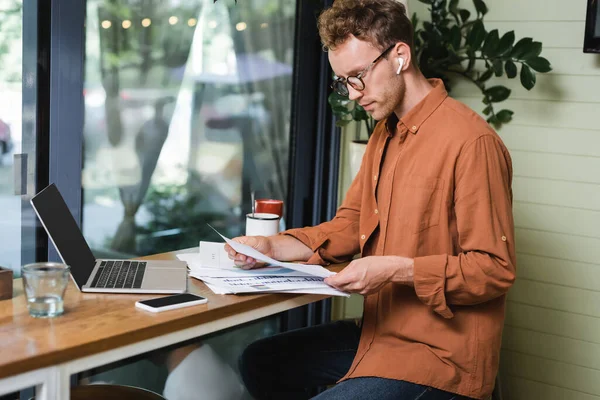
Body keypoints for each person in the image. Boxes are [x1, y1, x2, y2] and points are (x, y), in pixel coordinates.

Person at [226, 0, 516, 399]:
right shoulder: (384, 134)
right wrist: (272, 246)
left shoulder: (471, 143)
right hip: (381, 335)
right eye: (343, 81)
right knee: (261, 360)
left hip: (441, 357)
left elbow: (493, 270)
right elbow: (350, 225)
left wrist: (396, 270)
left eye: (358, 76)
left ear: (399, 56)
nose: (351, 94)